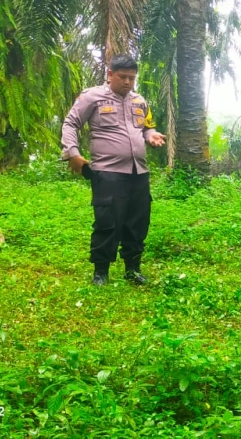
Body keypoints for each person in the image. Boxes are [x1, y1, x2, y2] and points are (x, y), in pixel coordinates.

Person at [61, 55, 166, 286]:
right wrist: (72, 152)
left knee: (138, 222)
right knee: (108, 221)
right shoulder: (92, 97)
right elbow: (71, 123)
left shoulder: (139, 101)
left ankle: (133, 269)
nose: (128, 82)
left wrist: (152, 135)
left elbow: (146, 127)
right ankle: (101, 272)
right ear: (110, 75)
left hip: (139, 172)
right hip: (107, 172)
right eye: (123, 77)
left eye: (132, 78)